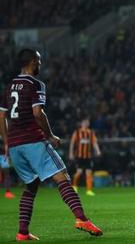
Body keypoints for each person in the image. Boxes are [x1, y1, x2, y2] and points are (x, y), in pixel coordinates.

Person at [0, 49, 102, 241]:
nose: (40, 64)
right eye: (38, 61)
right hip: (33, 141)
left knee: (31, 186)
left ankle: (22, 232)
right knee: (62, 177)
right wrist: (50, 135)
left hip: (15, 145)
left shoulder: (9, 86)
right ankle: (81, 218)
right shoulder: (36, 84)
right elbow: (38, 113)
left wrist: (6, 142)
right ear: (32, 62)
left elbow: (1, 116)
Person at [69, 117, 102, 196]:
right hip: (79, 156)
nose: (86, 123)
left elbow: (94, 142)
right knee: (79, 172)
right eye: (85, 122)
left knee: (89, 173)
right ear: (81, 123)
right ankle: (74, 186)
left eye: (87, 122)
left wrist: (98, 150)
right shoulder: (77, 132)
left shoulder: (90, 133)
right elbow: (72, 143)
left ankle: (89, 190)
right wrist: (71, 153)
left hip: (88, 156)